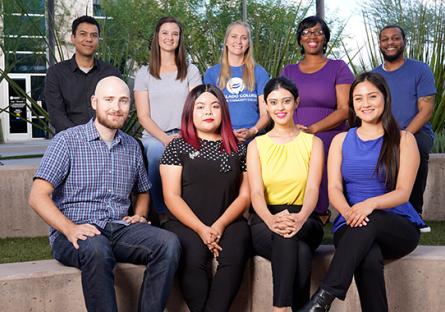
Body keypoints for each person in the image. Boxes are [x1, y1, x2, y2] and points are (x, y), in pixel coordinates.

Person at [29, 76, 181, 312]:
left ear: (129, 106)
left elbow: (143, 191)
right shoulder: (67, 141)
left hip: (120, 229)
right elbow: (37, 196)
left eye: (122, 101)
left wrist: (140, 214)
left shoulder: (131, 146)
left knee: (169, 243)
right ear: (94, 102)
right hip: (76, 232)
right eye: (108, 100)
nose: (116, 107)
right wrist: (70, 228)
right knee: (97, 249)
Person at [301, 72, 425, 312]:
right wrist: (348, 212)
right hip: (350, 223)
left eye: (372, 96)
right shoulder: (340, 140)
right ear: (352, 104)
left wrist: (370, 205)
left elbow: (402, 193)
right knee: (367, 257)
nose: (365, 104)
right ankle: (322, 302)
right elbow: (334, 187)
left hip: (397, 226)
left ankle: (322, 299)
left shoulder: (404, 139)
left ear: (385, 99)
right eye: (358, 98)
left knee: (372, 219)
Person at [160, 84, 251, 312]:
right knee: (192, 256)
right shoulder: (176, 147)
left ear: (224, 111)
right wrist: (201, 229)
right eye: (200, 107)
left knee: (236, 251)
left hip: (229, 221)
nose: (208, 112)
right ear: (190, 112)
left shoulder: (239, 148)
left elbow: (245, 195)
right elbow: (171, 196)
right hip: (186, 222)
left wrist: (219, 225)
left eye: (214, 106)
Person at [247, 77, 324, 311]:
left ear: (296, 103)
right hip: (265, 218)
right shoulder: (256, 145)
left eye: (286, 101)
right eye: (273, 102)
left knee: (289, 234)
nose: (280, 108)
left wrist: (299, 218)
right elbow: (257, 193)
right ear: (266, 106)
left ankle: (279, 308)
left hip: (306, 217)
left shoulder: (314, 143)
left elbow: (312, 188)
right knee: (296, 248)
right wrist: (271, 220)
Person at [281, 16, 354, 221]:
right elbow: (281, 105)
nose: (312, 36)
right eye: (306, 32)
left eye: (318, 32)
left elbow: (344, 109)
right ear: (299, 39)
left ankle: (321, 214)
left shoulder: (338, 67)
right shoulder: (289, 71)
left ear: (325, 38)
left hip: (328, 134)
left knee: (320, 157)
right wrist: (293, 131)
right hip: (293, 134)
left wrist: (312, 130)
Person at [134, 16, 201, 217]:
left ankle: (192, 210)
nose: (170, 37)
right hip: (155, 136)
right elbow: (143, 116)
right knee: (154, 152)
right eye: (165, 33)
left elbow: (197, 107)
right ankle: (162, 213)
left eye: (175, 33)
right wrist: (165, 139)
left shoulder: (190, 70)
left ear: (180, 39)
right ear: (157, 37)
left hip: (186, 132)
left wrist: (185, 135)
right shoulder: (144, 74)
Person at [373, 25, 436, 217]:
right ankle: (380, 211)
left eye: (395, 38)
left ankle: (413, 213)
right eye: (385, 39)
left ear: (404, 41)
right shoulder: (374, 76)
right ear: (380, 44)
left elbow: (426, 110)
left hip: (415, 133)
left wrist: (404, 136)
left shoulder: (420, 69)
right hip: (383, 133)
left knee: (413, 147)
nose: (390, 42)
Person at [44, 15, 121, 133]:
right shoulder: (56, 73)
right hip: (70, 141)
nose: (89, 39)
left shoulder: (111, 73)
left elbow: (117, 110)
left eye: (94, 35)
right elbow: (57, 115)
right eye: (83, 34)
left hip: (106, 138)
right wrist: (82, 138)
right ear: (73, 38)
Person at [203, 21, 270, 143]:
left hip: (255, 139)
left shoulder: (259, 72)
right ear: (226, 41)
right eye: (234, 36)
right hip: (221, 138)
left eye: (244, 38)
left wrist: (253, 130)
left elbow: (266, 113)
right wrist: (226, 133)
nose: (238, 41)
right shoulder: (211, 74)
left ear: (248, 43)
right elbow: (208, 113)